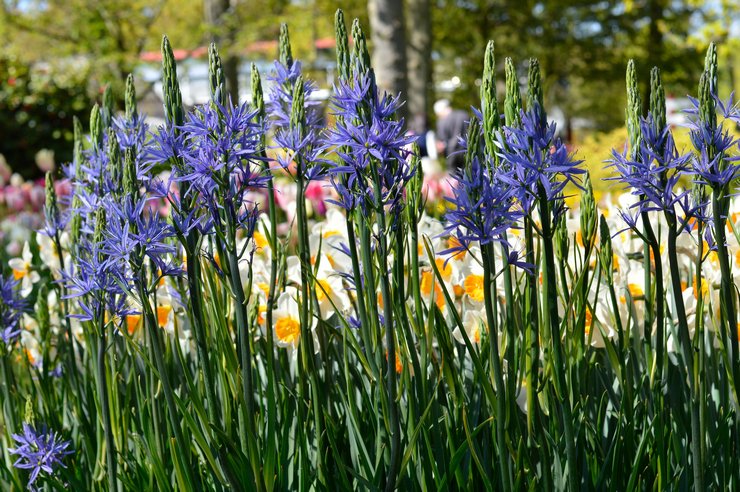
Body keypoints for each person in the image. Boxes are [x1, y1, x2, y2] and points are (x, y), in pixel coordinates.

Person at [434, 99, 469, 172]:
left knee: (454, 180)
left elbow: (441, 143)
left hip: (451, 154)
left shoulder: (442, 121)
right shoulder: (464, 114)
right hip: (468, 151)